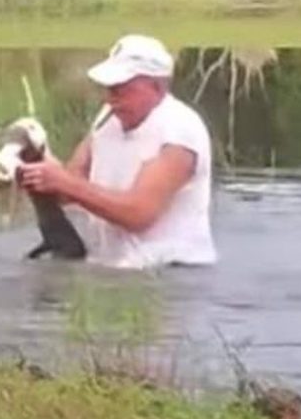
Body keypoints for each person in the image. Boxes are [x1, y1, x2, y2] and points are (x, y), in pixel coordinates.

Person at [18, 34, 217, 269]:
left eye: (122, 89)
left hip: (172, 273)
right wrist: (36, 165)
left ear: (157, 86)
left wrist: (63, 183)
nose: (111, 98)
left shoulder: (180, 132)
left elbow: (138, 214)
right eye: (110, 88)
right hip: (114, 269)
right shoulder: (107, 117)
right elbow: (68, 189)